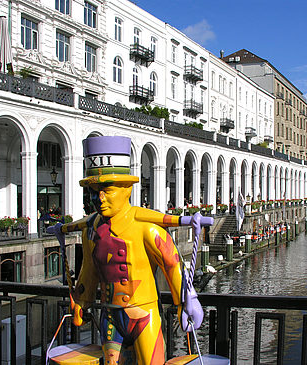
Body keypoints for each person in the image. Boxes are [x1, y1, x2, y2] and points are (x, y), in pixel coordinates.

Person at [59, 136, 202, 364]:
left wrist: (184, 303)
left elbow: (173, 264)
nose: (99, 198)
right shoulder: (91, 231)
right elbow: (89, 269)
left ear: (127, 189)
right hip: (110, 316)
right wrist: (81, 300)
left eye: (108, 190)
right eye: (94, 191)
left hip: (144, 316)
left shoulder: (147, 229)